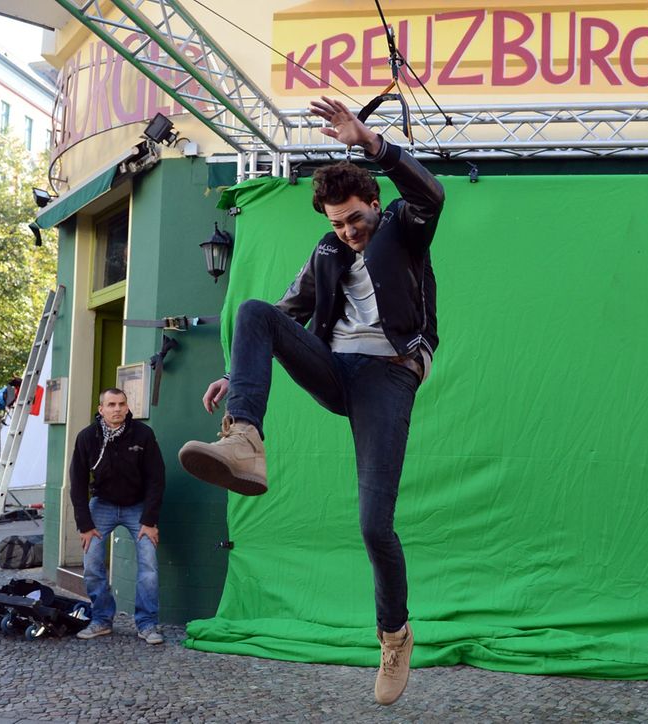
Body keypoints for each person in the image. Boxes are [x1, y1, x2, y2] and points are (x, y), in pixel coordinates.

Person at [179, 96, 444, 705]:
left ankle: (394, 634)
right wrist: (234, 373)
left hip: (388, 376)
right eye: (338, 224)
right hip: (335, 370)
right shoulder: (326, 256)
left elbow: (432, 196)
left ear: (374, 204)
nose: (350, 232)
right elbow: (284, 313)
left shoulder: (404, 227)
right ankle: (245, 440)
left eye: (356, 218)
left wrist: (373, 145)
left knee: (374, 525)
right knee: (254, 310)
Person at [69, 388, 166, 644]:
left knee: (149, 566)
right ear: (101, 409)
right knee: (91, 564)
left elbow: (157, 479)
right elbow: (77, 483)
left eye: (121, 404)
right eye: (111, 404)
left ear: (127, 407)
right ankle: (101, 619)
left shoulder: (143, 435)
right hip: (102, 505)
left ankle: (147, 624)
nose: (117, 409)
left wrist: (150, 520)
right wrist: (85, 525)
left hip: (138, 507)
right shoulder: (88, 437)